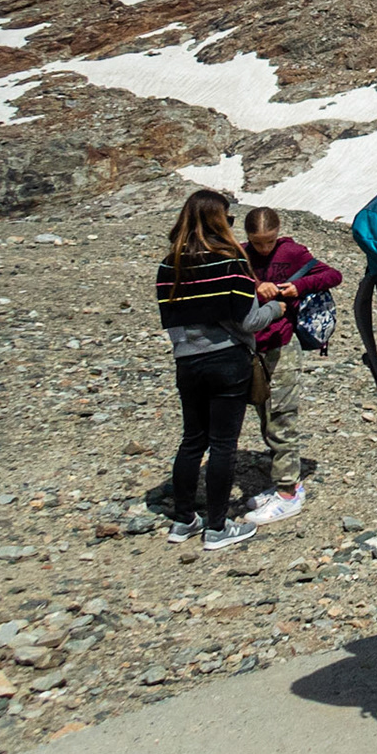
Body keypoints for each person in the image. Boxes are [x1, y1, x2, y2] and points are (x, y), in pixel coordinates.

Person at [155, 189, 285, 552]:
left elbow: (173, 323)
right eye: (227, 218)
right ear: (217, 221)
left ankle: (183, 521)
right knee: (223, 445)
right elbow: (249, 321)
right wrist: (277, 309)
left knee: (192, 440)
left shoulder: (169, 266)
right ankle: (217, 526)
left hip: (187, 361)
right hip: (227, 361)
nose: (230, 224)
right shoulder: (231, 263)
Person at [241, 206, 342, 525]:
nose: (263, 249)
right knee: (265, 413)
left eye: (268, 241)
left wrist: (299, 287)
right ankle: (282, 480)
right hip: (253, 345)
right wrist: (255, 288)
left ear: (278, 232)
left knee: (282, 414)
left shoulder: (293, 252)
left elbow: (332, 275)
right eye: (257, 243)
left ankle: (289, 491)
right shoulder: (240, 255)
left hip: (284, 343)